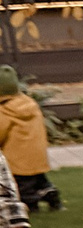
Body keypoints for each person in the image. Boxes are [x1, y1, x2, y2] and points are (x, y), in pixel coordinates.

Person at [0, 66, 59, 213]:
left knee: (22, 187)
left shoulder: (4, 110)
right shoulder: (29, 103)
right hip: (37, 154)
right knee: (39, 180)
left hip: (17, 158)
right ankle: (51, 195)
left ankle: (31, 205)